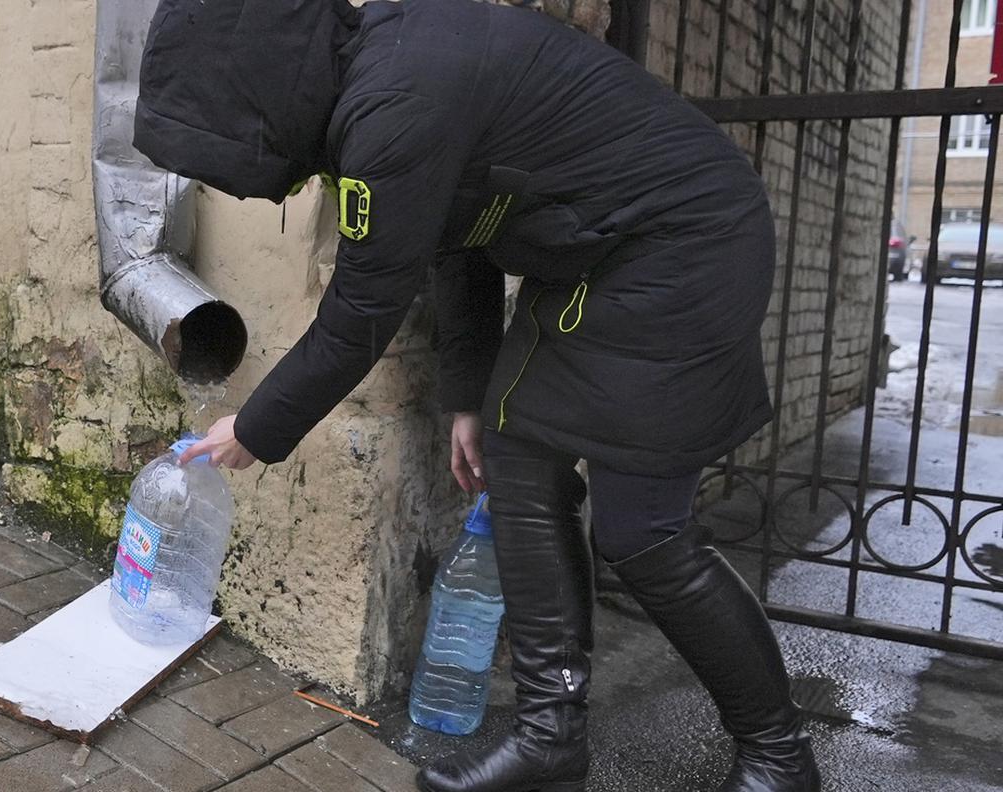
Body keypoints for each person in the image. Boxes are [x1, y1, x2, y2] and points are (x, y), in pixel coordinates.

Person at [132, 0, 821, 790]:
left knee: (644, 532)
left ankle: (778, 758)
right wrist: (468, 395)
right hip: (606, 254)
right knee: (520, 461)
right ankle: (549, 738)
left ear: (255, 88)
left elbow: (361, 311)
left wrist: (252, 428)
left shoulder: (394, 103)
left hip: (683, 249)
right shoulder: (382, 76)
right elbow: (458, 238)